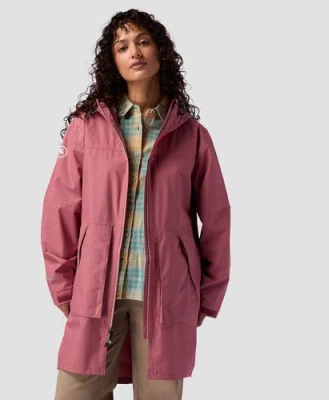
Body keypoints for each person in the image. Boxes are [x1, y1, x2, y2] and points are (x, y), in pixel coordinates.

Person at [40, 8, 231, 400]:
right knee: (76, 392)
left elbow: (217, 219)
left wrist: (207, 294)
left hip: (166, 294)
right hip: (96, 290)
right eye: (122, 46)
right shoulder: (87, 127)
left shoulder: (192, 136)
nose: (135, 52)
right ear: (113, 61)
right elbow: (60, 209)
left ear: (161, 52)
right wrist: (63, 286)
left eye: (143, 42)